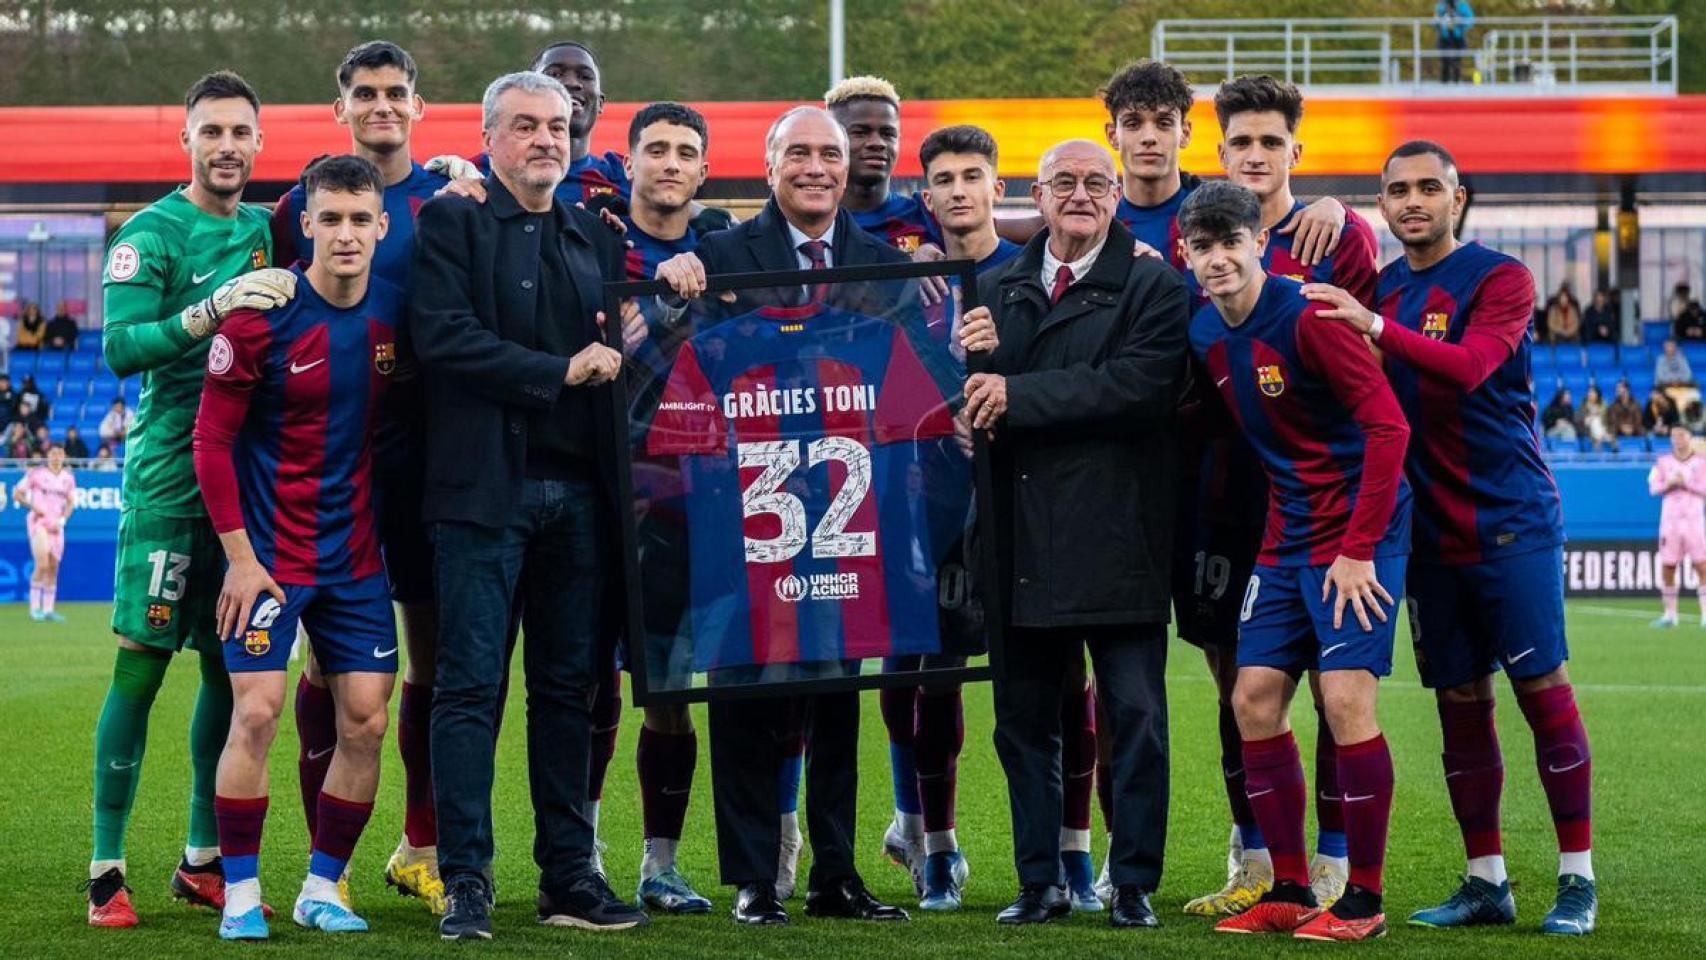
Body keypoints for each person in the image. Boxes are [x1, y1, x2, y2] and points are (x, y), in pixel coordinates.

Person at [1309, 140, 1599, 936]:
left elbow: (1470, 366)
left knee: (1543, 691)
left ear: (1457, 198)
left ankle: (1577, 878)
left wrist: (1371, 323)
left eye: (1429, 188)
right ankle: (1486, 881)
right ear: (1383, 203)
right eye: (1398, 190)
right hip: (1428, 532)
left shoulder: (1501, 278)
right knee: (1460, 702)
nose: (1413, 201)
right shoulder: (1384, 286)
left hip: (1511, 520)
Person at [652, 105, 914, 927]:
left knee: (838, 696)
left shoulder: (883, 264)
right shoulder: (720, 258)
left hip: (848, 512)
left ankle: (837, 874)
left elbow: (906, 383)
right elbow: (684, 372)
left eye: (828, 154)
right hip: (743, 514)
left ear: (846, 167)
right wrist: (670, 290)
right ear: (768, 167)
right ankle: (755, 879)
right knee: (742, 692)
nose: (815, 167)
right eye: (797, 152)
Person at [411, 70, 644, 940]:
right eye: (526, 125)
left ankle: (568, 879)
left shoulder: (594, 232)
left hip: (580, 496)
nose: (547, 138)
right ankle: (466, 880)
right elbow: (442, 337)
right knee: (470, 690)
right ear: (488, 138)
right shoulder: (453, 220)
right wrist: (559, 371)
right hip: (483, 495)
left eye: (558, 125)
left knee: (567, 694)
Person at [86, 70, 295, 929]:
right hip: (171, 483)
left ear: (259, 142)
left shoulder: (269, 229)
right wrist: (210, 309)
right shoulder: (150, 234)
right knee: (140, 664)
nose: (227, 147)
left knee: (226, 667)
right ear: (187, 140)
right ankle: (106, 866)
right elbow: (120, 349)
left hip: (247, 491)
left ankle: (202, 858)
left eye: (241, 132)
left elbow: (357, 210)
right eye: (212, 131)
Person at [968, 138, 1186, 931]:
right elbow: (974, 397)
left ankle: (1132, 884)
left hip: (1120, 534)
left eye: (1098, 181)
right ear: (1038, 194)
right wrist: (971, 386)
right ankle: (1040, 883)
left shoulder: (1156, 284)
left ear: (1117, 195)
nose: (1081, 194)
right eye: (1064, 181)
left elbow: (1138, 387)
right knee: (1023, 724)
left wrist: (1014, 394)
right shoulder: (994, 287)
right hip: (1019, 536)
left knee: (1138, 721)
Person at [1183, 181, 1410, 943]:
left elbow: (1388, 429)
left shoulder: (1311, 317)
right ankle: (1285, 889)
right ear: (1187, 254)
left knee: (1344, 702)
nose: (1218, 259)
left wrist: (1359, 550)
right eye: (1202, 247)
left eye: (1231, 243)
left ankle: (1363, 901)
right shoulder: (1204, 332)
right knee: (1252, 699)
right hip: (1287, 535)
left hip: (1360, 533)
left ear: (1259, 243)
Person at [193, 155, 402, 941]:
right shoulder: (261, 316)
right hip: (268, 561)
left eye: (360, 219)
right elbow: (212, 441)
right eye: (331, 219)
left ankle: (322, 887)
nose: (346, 234)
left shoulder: (397, 315)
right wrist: (241, 559)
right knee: (257, 713)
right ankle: (241, 894)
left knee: (366, 722)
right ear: (306, 224)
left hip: (355, 559)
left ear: (382, 227)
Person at [269, 39, 452, 915]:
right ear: (339, 107)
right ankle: (325, 864)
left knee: (431, 657)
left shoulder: (451, 199)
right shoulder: (296, 207)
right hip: (328, 466)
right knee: (325, 664)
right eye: (365, 93)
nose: (382, 105)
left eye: (395, 92)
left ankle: (421, 846)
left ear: (419, 106)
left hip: (426, 459)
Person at [1203, 73, 1381, 912]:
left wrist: (1345, 212)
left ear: (1295, 152)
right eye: (1241, 142)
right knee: (1241, 686)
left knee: (1336, 690)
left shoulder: (1333, 243)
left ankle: (1341, 865)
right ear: (1220, 154)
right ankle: (1264, 866)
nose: (1255, 154)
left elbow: (1374, 379)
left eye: (1271, 141)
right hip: (1237, 499)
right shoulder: (1196, 236)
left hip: (1334, 500)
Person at [615, 99, 731, 916]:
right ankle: (578, 851)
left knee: (676, 692)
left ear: (704, 169)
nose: (669, 163)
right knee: (586, 685)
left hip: (704, 507)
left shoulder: (725, 252)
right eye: (655, 149)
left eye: (685, 151)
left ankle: (662, 865)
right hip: (605, 497)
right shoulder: (592, 244)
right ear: (628, 161)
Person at [825, 76, 941, 255]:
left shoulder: (926, 216)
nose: (877, 143)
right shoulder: (809, 221)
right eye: (860, 132)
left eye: (888, 134)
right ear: (833, 139)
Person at [1650, 425, 1706, 628]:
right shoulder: (1663, 462)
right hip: (1670, 523)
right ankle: (1670, 615)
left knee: (1702, 565)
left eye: (1681, 435)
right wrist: (1670, 483)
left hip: (1694, 522)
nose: (1678, 439)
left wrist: (1686, 482)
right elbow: (1653, 488)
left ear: (1690, 437)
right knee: (1668, 566)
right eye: (1674, 436)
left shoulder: (1701, 462)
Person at [16, 443, 76, 622]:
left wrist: (63, 520)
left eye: (59, 453)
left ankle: (48, 610)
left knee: (53, 567)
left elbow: (71, 503)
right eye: (53, 453)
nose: (56, 457)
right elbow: (17, 494)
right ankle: (35, 609)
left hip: (56, 525)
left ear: (64, 456)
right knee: (42, 564)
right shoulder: (36, 474)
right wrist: (34, 507)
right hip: (39, 522)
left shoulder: (68, 478)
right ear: (48, 455)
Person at [1436, 0, 1475, 83]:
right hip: (1445, 37)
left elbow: (1470, 20)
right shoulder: (1442, 5)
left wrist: (1460, 22)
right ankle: (1444, 81)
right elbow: (1435, 20)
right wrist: (1441, 22)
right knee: (1445, 60)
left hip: (1457, 37)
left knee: (1457, 61)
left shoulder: (1462, 5)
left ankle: (1456, 81)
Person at [1608, 380, 1643, 446]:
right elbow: (1612, 420)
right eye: (1617, 388)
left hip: (1634, 430)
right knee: (1611, 430)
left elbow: (1638, 420)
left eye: (1619, 387)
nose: (1617, 389)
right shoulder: (1614, 405)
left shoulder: (1636, 404)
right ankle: (1615, 448)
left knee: (1642, 430)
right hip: (1619, 430)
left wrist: (1631, 428)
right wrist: (1622, 427)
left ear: (1626, 389)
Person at [1576, 384, 1610, 452]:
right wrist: (1591, 416)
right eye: (1589, 392)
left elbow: (1607, 419)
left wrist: (1597, 414)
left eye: (1592, 392)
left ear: (1597, 394)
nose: (1589, 394)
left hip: (1603, 427)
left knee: (1597, 420)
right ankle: (1602, 438)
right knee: (1594, 420)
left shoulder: (1604, 404)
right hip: (1588, 429)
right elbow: (1578, 418)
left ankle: (1598, 441)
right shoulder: (1584, 404)